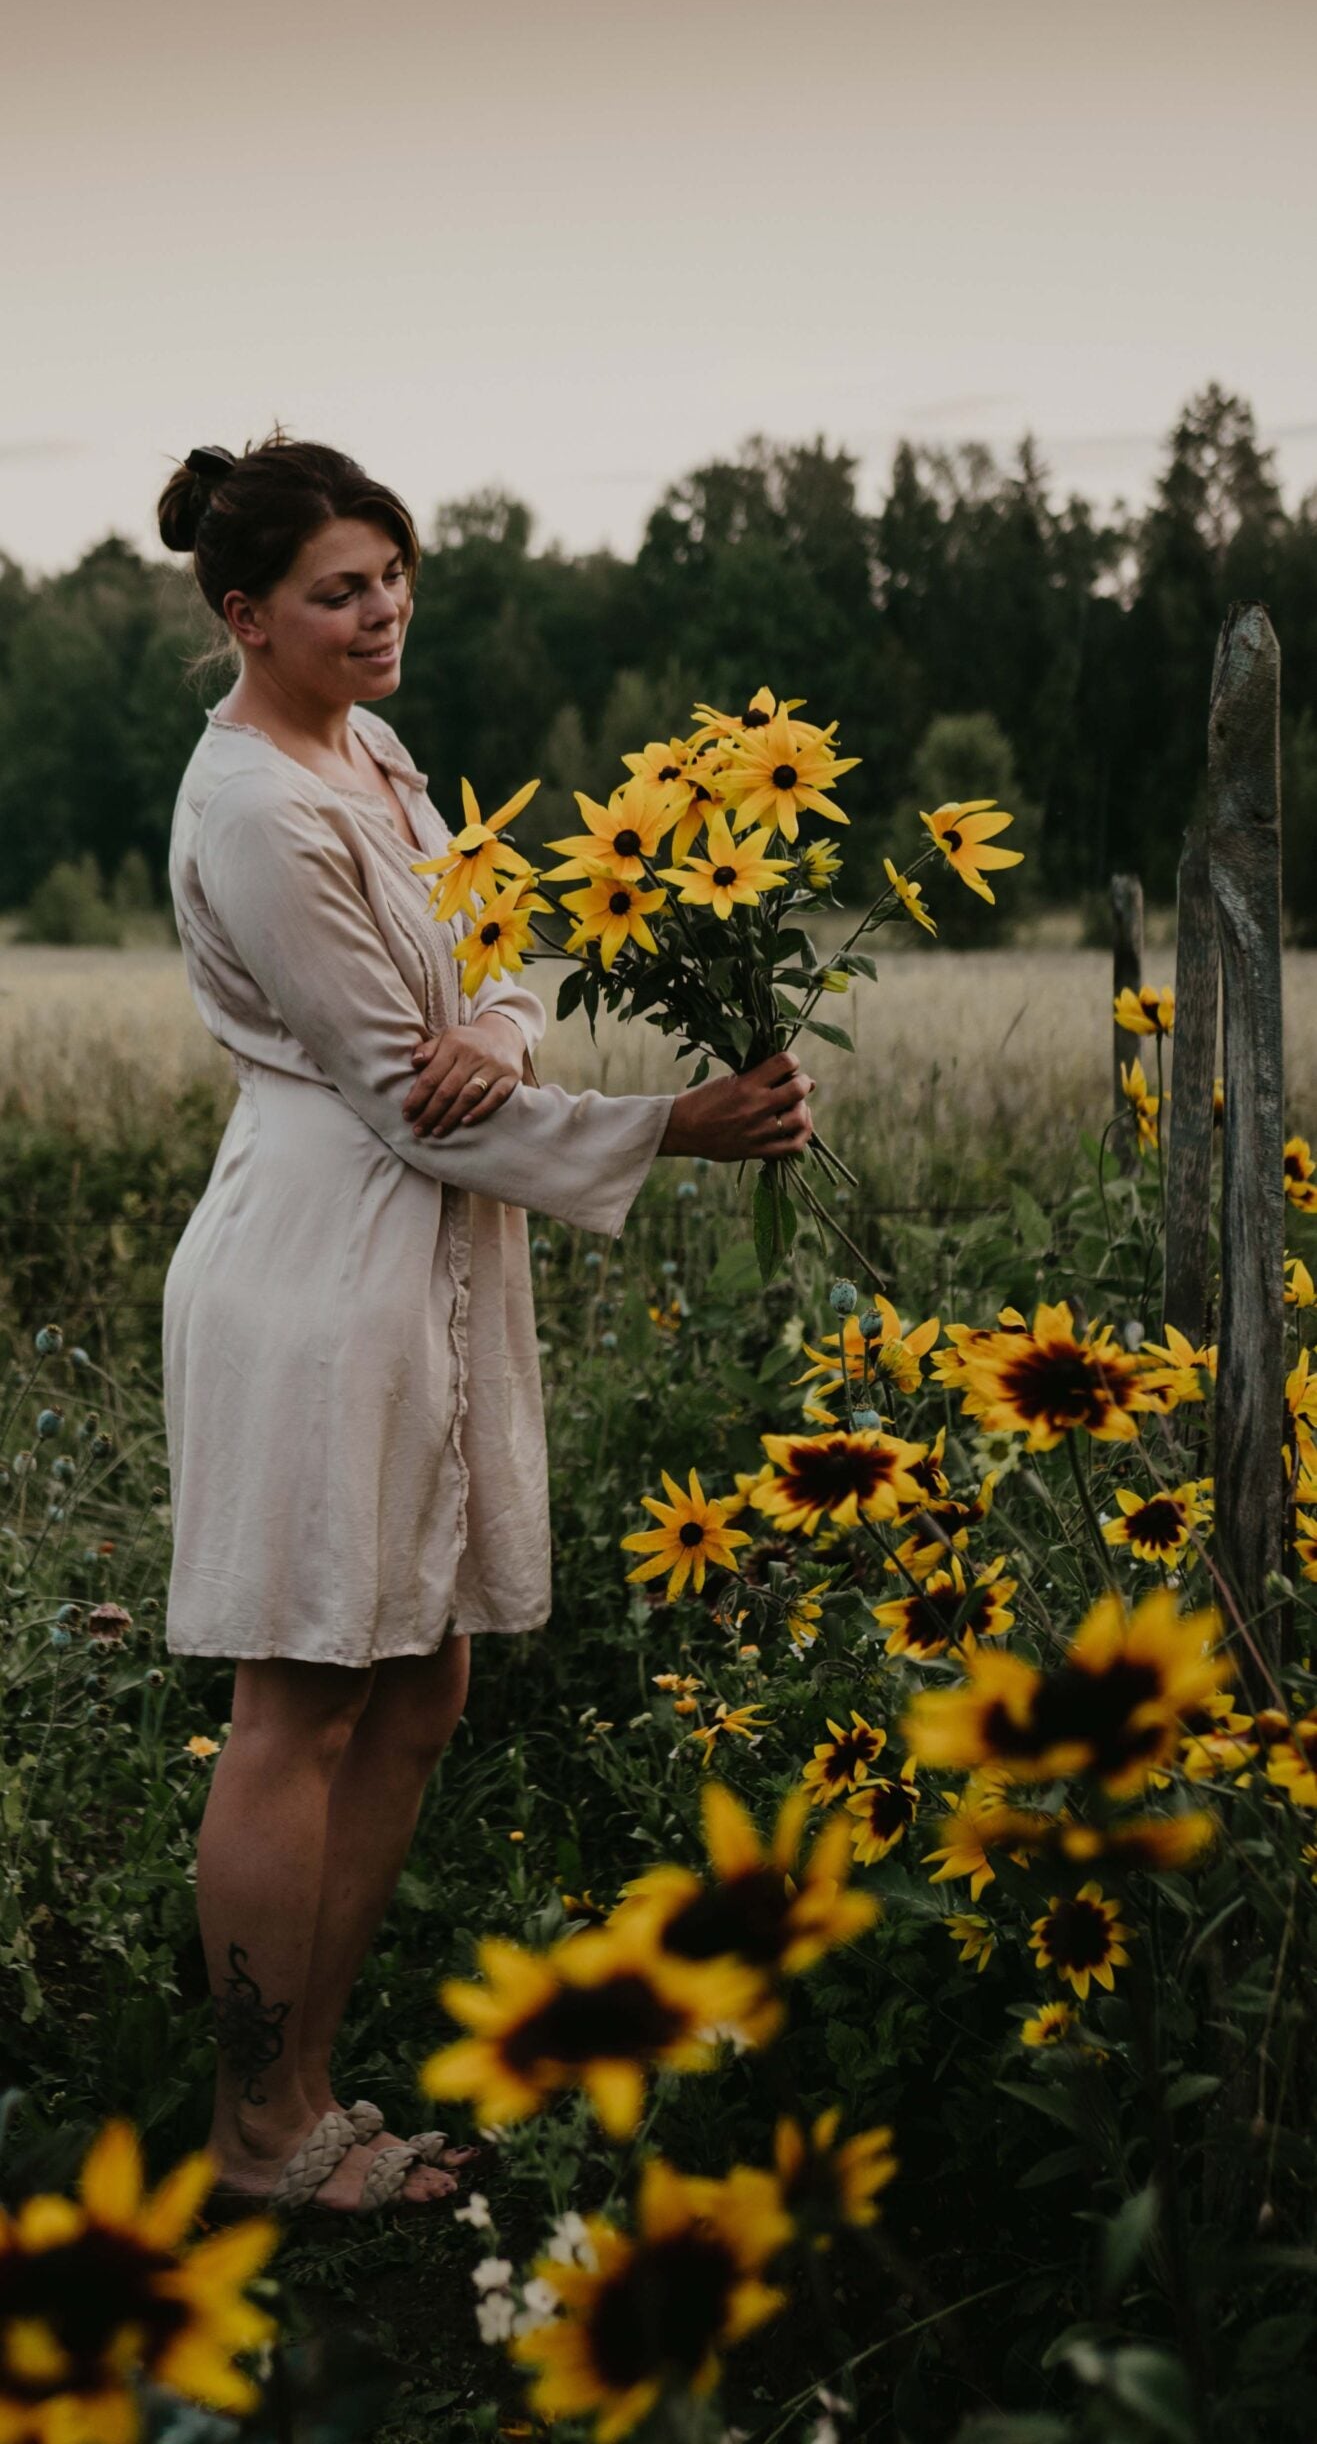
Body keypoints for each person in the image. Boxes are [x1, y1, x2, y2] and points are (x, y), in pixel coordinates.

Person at [157, 431, 815, 2217]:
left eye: (392, 578)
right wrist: (675, 1126)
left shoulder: (369, 752)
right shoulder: (260, 811)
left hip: (430, 1258)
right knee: (295, 1694)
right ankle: (255, 2133)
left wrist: (512, 1029)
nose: (380, 616)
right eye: (335, 593)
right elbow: (393, 1090)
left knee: (423, 1676)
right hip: (317, 1271)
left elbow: (497, 951)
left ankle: (305, 2081)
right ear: (246, 616)